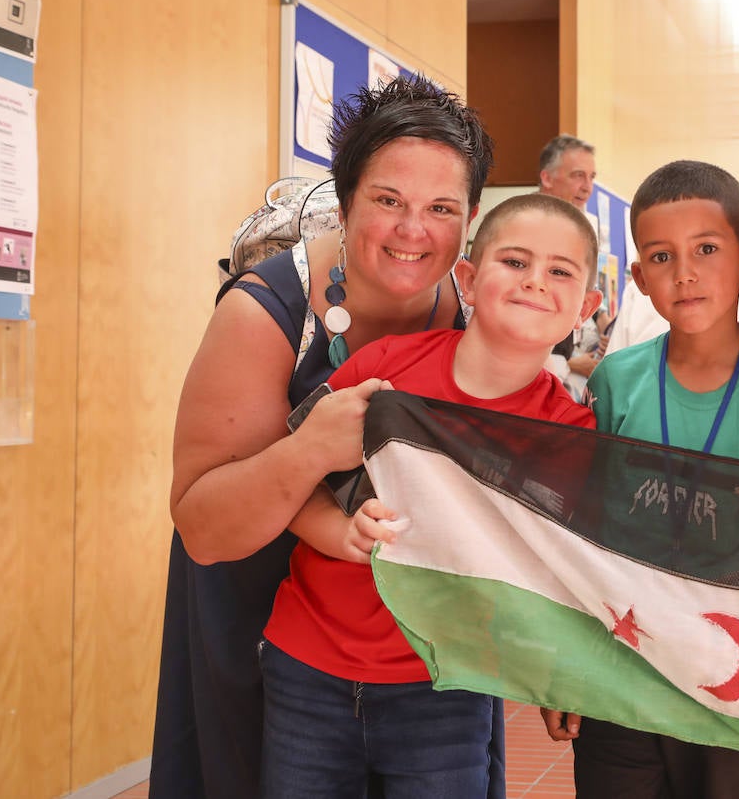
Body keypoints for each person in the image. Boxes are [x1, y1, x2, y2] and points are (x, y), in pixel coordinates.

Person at [150, 74, 491, 799]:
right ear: (345, 200)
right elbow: (203, 527)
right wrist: (309, 449)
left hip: (421, 653)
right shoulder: (264, 314)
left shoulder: (480, 317)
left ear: (471, 219)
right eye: (387, 201)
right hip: (270, 636)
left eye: (441, 208)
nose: (412, 231)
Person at [259, 192, 603, 796]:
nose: (533, 283)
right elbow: (288, 481)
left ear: (587, 307)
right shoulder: (382, 368)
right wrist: (339, 534)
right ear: (466, 279)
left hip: (450, 685)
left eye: (559, 272)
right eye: (515, 262)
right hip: (309, 666)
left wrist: (559, 671)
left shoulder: (570, 434)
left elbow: (559, 571)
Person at [539, 160, 739, 797]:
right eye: (661, 256)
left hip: (731, 677)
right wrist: (565, 667)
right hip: (620, 664)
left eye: (707, 248)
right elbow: (578, 530)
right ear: (641, 277)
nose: (686, 272)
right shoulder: (616, 381)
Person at [538, 134, 604, 388]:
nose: (587, 187)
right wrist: (567, 364)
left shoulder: (581, 231)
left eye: (592, 177)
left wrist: (601, 318)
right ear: (547, 178)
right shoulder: (521, 228)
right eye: (578, 175)